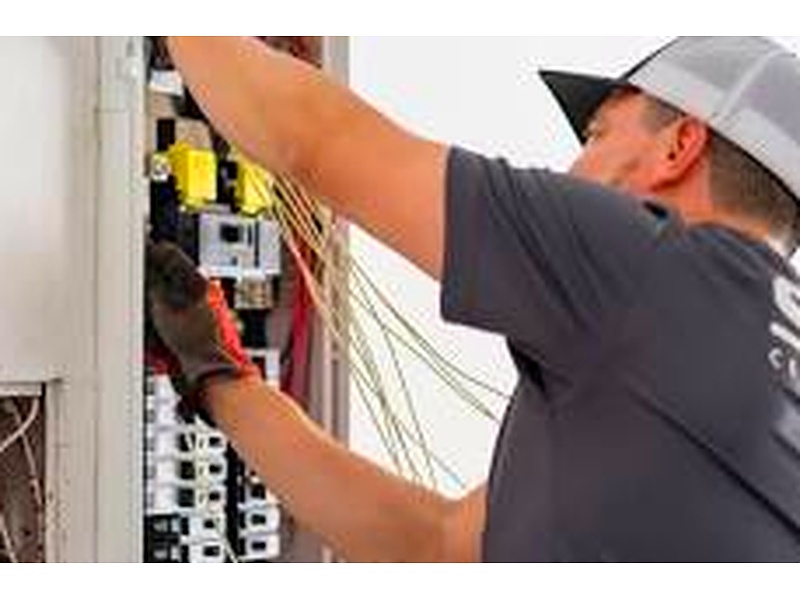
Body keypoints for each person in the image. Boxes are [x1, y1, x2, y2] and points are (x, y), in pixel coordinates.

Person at [147, 37, 800, 562]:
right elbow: (431, 545)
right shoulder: (750, 357)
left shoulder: (661, 269)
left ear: (680, 145)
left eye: (597, 136)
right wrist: (219, 377)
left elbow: (312, 139)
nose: (573, 169)